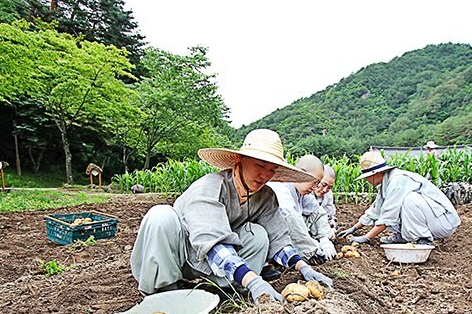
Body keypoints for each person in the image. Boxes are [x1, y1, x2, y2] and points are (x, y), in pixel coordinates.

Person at [130, 129, 333, 303]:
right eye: (260, 166)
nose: (265, 175)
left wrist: (303, 267)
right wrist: (254, 280)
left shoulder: (266, 196)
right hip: (181, 253)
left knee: (259, 234)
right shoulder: (210, 187)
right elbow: (213, 244)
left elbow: (277, 238)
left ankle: (230, 289)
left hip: (217, 265)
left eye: (271, 169)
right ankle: (164, 292)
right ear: (240, 161)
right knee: (160, 216)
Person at [338, 151, 461, 245]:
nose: (366, 180)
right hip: (432, 220)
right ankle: (403, 235)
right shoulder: (386, 184)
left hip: (443, 222)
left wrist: (366, 237)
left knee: (409, 200)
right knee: (396, 205)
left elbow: (387, 217)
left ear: (376, 174)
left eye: (367, 176)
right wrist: (354, 228)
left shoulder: (397, 182)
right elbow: (375, 210)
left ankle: (423, 239)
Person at [268, 155, 336, 265]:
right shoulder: (282, 187)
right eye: (314, 182)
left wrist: (324, 239)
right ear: (300, 173)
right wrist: (312, 249)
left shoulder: (302, 192)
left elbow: (317, 212)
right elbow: (290, 218)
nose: (315, 188)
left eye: (317, 183)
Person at [312, 165, 337, 237]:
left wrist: (331, 230)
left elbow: (330, 216)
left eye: (329, 187)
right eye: (323, 185)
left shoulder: (328, 195)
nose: (325, 190)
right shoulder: (307, 191)